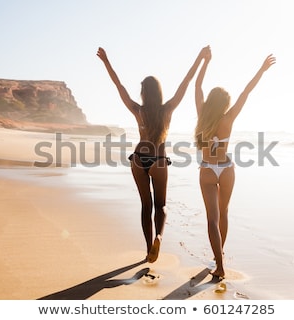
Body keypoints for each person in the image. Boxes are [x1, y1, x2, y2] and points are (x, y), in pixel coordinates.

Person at [97, 46, 210, 263]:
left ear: (144, 92)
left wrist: (106, 62)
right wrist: (200, 58)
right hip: (159, 161)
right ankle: (159, 236)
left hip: (139, 159)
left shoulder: (138, 110)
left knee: (145, 206)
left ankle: (148, 248)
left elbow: (118, 85)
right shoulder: (167, 109)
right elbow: (186, 82)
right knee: (161, 206)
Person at [194, 47, 276, 278]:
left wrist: (205, 61)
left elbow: (198, 88)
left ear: (210, 102)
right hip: (227, 169)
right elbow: (246, 92)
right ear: (224, 104)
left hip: (208, 170)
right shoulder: (228, 118)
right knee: (224, 212)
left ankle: (219, 265)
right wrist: (262, 69)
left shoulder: (201, 115)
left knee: (212, 218)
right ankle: (219, 257)